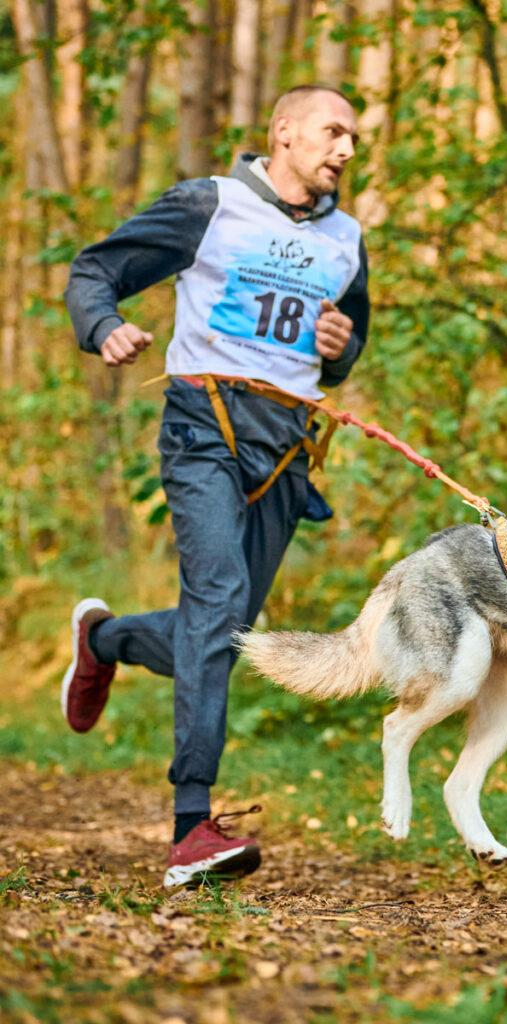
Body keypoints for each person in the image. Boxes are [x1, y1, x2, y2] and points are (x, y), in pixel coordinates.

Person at [61, 85, 369, 887]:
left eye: (353, 138)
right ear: (286, 133)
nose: (345, 148)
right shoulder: (213, 203)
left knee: (226, 629)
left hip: (286, 451)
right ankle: (191, 826)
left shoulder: (347, 237)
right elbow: (96, 268)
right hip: (203, 425)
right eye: (332, 131)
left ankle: (103, 642)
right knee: (218, 595)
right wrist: (104, 327)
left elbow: (344, 341)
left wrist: (340, 346)